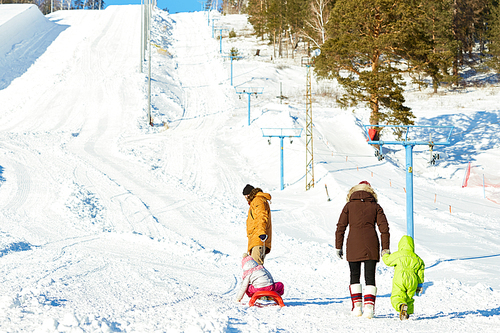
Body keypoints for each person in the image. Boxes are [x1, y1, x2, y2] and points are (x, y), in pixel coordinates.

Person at [335, 181, 390, 319]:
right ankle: (369, 309)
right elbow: (384, 228)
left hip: (353, 244)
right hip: (371, 244)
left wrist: (338, 246)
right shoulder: (376, 206)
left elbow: (340, 227)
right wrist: (385, 248)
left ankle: (357, 307)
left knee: (354, 275)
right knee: (370, 276)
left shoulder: (349, 206)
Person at [382, 235, 425, 320]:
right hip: (413, 280)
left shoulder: (399, 255)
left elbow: (388, 261)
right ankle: (407, 313)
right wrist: (419, 285)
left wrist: (385, 254)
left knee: (397, 295)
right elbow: (420, 273)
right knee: (409, 297)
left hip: (400, 278)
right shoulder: (417, 258)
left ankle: (401, 305)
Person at [242, 184, 272, 265]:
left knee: (256, 267)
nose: (245, 199)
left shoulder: (257, 200)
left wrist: (262, 233)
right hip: (255, 239)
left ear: (248, 195)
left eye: (245, 196)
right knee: (255, 266)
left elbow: (261, 216)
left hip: (258, 238)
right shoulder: (255, 201)